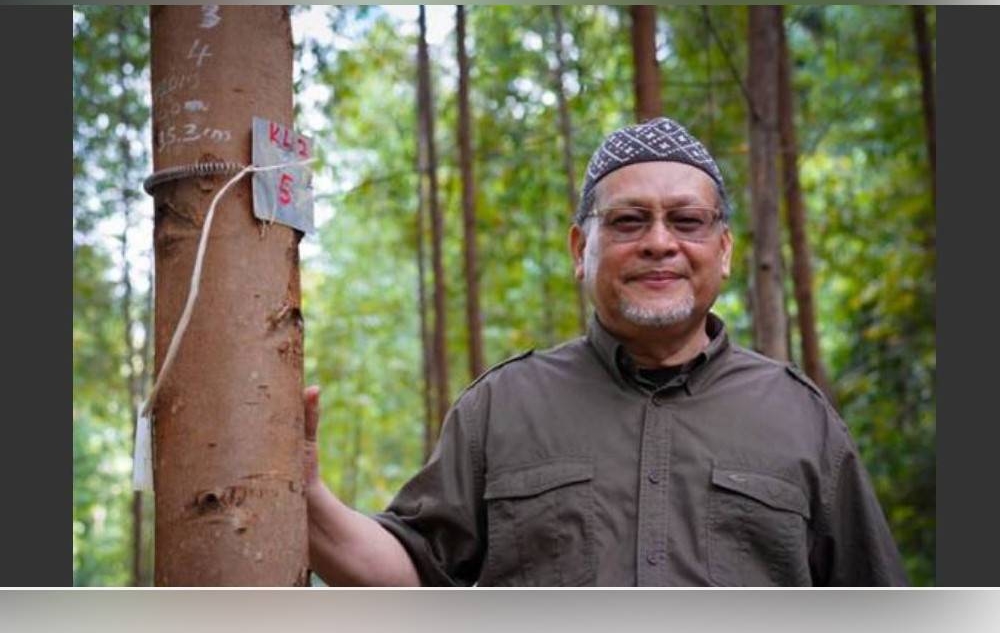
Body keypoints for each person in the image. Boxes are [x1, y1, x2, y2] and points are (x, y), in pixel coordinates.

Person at [303, 116, 908, 587]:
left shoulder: (801, 418)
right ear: (579, 249)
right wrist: (303, 497)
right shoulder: (502, 407)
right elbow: (413, 574)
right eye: (627, 222)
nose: (659, 243)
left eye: (687, 221)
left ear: (723, 251)